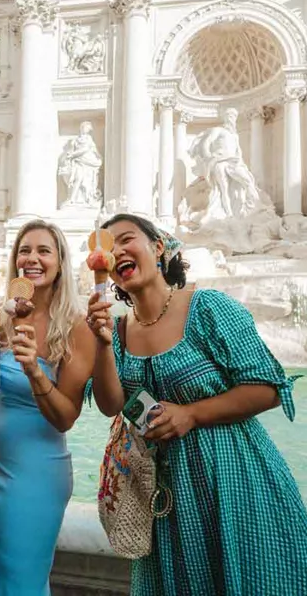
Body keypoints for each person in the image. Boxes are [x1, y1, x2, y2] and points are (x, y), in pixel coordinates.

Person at [86, 213, 307, 596]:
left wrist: (191, 413)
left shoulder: (208, 308)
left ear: (158, 248)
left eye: (125, 239)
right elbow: (112, 405)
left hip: (234, 478)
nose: (116, 250)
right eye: (106, 246)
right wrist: (103, 344)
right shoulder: (117, 332)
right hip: (164, 496)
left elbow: (268, 387)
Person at [0, 220, 95, 595]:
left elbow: (65, 417)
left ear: (60, 262)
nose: (32, 259)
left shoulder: (77, 327)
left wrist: (34, 372)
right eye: (25, 250)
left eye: (44, 251)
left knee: (21, 579)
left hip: (36, 473)